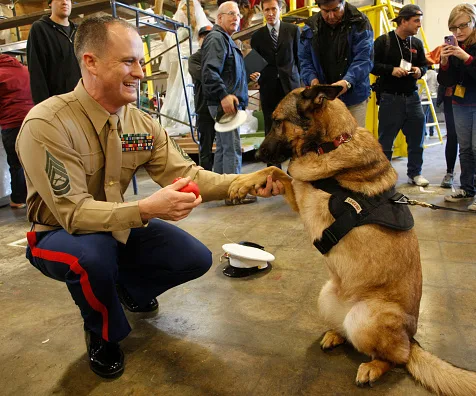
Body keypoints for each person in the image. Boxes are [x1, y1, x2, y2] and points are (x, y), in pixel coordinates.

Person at [16, 16, 283, 379]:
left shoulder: (139, 124)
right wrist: (145, 209)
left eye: (140, 62)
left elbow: (188, 176)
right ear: (90, 62)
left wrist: (247, 181)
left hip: (117, 224)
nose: (140, 73)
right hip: (56, 233)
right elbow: (74, 214)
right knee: (93, 257)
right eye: (129, 61)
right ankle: (102, 331)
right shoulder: (47, 124)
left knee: (194, 257)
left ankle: (125, 289)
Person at [201, 1, 257, 204]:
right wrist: (224, 95)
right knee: (232, 148)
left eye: (238, 15)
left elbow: (227, 72)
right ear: (219, 18)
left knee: (224, 149)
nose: (236, 18)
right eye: (231, 14)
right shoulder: (217, 38)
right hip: (224, 102)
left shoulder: (225, 40)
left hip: (226, 102)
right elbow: (209, 71)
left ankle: (222, 192)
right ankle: (235, 194)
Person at [371, 4, 430, 187]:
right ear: (403, 21)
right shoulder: (384, 42)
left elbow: (424, 65)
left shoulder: (417, 43)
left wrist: (420, 71)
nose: (419, 25)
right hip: (390, 98)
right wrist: (391, 70)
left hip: (412, 98)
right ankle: (384, 177)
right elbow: (370, 64)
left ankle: (415, 174)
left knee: (417, 140)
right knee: (386, 142)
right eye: (416, 21)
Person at [298, 0, 373, 127]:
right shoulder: (310, 27)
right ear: (319, 8)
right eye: (326, 11)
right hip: (323, 100)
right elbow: (305, 60)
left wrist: (347, 82)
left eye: (336, 10)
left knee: (354, 141)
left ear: (343, 3)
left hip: (354, 98)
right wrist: (313, 81)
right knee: (327, 142)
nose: (331, 16)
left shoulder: (360, 22)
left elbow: (364, 59)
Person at [250, 0, 300, 168]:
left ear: (280, 10)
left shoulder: (293, 30)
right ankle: (273, 168)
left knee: (295, 126)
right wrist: (254, 75)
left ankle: (296, 165)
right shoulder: (257, 37)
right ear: (262, 11)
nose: (270, 13)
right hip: (268, 87)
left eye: (273, 9)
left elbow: (300, 59)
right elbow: (255, 65)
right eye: (266, 10)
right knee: (271, 128)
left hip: (290, 86)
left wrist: (302, 85)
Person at [438, 3, 476, 211]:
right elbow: (446, 81)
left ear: (473, 22)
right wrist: (444, 62)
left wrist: (467, 58)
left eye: (463, 26)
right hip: (460, 103)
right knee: (466, 149)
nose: (458, 32)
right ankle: (467, 189)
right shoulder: (453, 46)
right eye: (453, 28)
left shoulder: (467, 49)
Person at [26, 0, 81, 104]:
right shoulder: (40, 29)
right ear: (50, 3)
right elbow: (37, 73)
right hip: (57, 105)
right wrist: (43, 109)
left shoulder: (78, 31)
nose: (65, 2)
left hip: (81, 102)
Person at [0, 54, 32, 209]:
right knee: (34, 160)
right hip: (32, 119)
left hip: (11, 123)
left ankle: (18, 199)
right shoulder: (24, 70)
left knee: (16, 163)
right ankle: (38, 196)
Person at [188, 25, 215, 171]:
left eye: (209, 36)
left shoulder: (218, 55)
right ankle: (206, 179)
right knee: (205, 148)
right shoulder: (194, 59)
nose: (206, 39)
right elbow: (204, 77)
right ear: (199, 39)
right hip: (204, 108)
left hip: (220, 107)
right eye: (203, 36)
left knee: (224, 147)